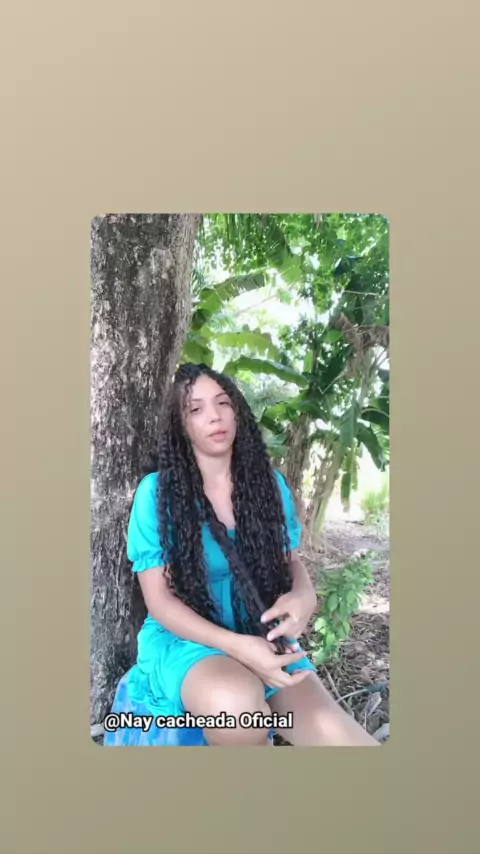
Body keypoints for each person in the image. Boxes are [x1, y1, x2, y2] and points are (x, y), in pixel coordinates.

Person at [126, 362, 378, 747]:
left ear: (237, 411)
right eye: (196, 409)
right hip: (187, 639)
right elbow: (159, 601)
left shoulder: (267, 484)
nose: (214, 416)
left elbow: (288, 561)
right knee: (236, 706)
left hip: (256, 630)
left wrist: (304, 593)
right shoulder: (156, 493)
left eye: (223, 403)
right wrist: (237, 648)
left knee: (346, 742)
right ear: (181, 425)